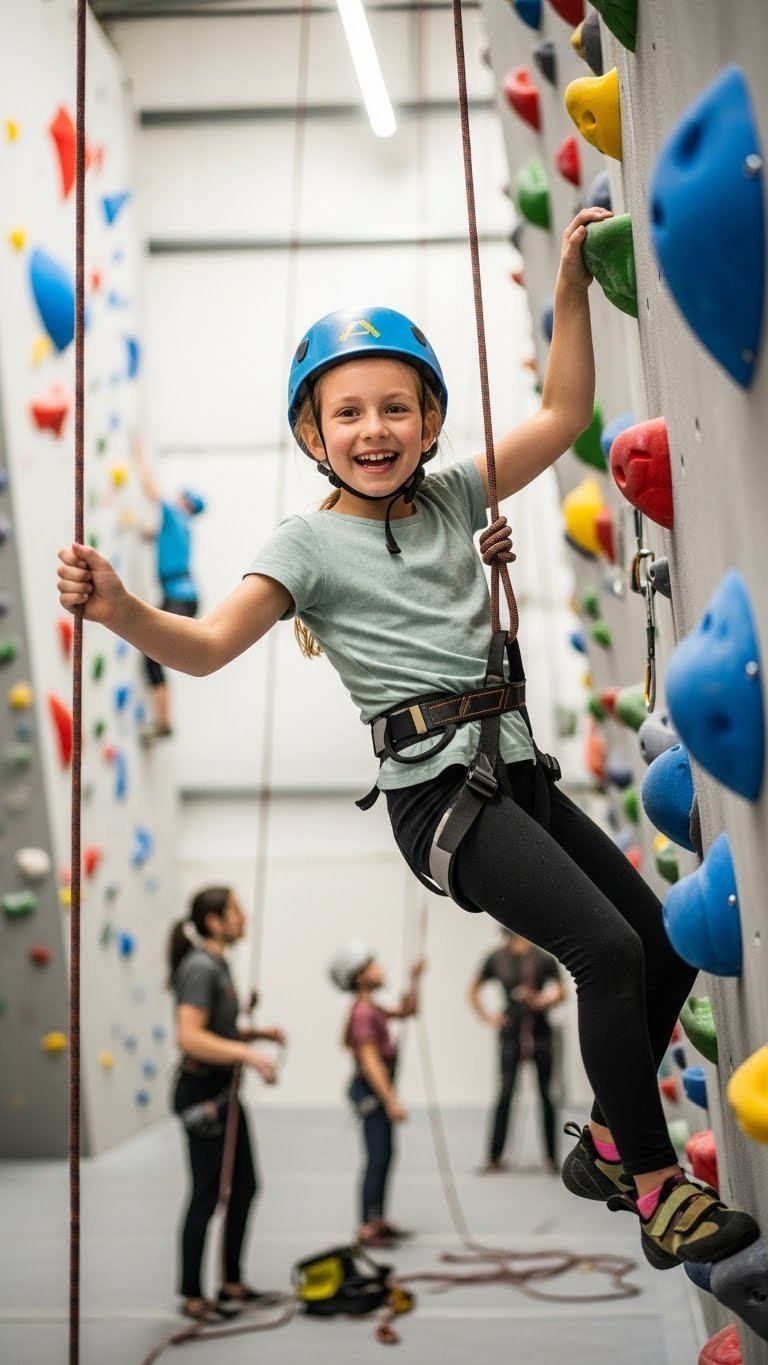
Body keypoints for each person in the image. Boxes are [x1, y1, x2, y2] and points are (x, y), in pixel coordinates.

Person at [58, 204, 760, 1272]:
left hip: (513, 772)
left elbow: (567, 406)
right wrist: (121, 611)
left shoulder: (456, 493)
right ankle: (658, 1189)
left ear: (430, 422)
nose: (374, 429)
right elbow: (204, 648)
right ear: (313, 434)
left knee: (660, 945)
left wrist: (568, 282)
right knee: (607, 951)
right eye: (348, 414)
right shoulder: (305, 545)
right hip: (441, 798)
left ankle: (611, 1146)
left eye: (397, 407)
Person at [168, 885, 285, 1321]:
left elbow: (216, 1031)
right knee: (205, 1194)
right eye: (235, 910)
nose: (244, 916)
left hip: (223, 1093)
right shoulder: (201, 967)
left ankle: (232, 1282)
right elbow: (190, 1036)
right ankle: (194, 1296)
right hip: (204, 1096)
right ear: (214, 921)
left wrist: (256, 1034)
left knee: (244, 1187)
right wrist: (250, 1055)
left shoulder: (217, 964)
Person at [329, 942, 424, 1247]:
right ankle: (368, 1225)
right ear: (359, 976)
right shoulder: (363, 1014)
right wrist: (391, 1100)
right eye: (372, 965)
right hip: (372, 1091)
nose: (379, 969)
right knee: (377, 1156)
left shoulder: (371, 1007)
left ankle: (377, 1217)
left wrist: (415, 980)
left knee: (384, 1156)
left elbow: (408, 1011)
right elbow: (370, 1062)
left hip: (375, 1090)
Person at [468, 931, 564, 1174]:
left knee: (546, 1095)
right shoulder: (496, 958)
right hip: (511, 1033)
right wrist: (487, 1016)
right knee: (505, 1093)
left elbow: (560, 992)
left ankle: (552, 1159)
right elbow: (473, 989)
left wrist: (543, 1001)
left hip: (540, 1033)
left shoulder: (542, 958)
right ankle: (494, 1156)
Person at [133, 434, 206, 742]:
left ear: (186, 503)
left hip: (179, 595)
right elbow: (159, 538)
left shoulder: (176, 515)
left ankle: (164, 722)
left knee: (151, 659)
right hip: (178, 595)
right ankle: (163, 721)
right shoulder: (180, 526)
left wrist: (137, 455)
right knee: (151, 658)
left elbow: (152, 491)